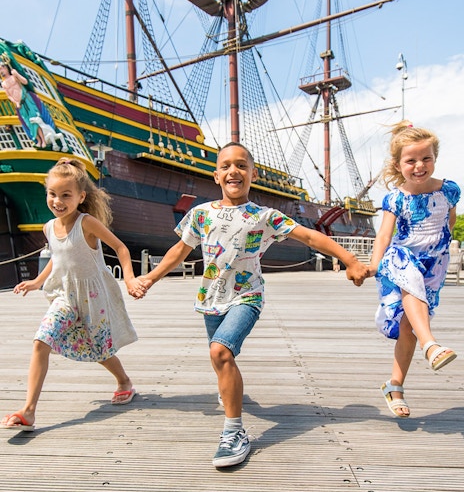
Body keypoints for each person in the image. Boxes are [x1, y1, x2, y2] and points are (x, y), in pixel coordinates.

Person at [137, 142, 368, 467]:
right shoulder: (201, 214)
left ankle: (234, 432)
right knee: (221, 361)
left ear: (253, 174)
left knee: (220, 352)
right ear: (216, 175)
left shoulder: (264, 217)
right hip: (211, 299)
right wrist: (150, 279)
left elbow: (311, 237)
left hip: (248, 297)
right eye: (227, 166)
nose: (234, 171)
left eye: (242, 165)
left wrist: (350, 260)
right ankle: (228, 390)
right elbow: (179, 251)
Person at [1, 158, 146, 431]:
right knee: (41, 340)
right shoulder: (48, 227)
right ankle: (28, 410)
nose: (58, 201)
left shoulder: (87, 223)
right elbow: (58, 258)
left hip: (93, 299)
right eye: (52, 194)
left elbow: (121, 249)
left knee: (100, 350)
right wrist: (36, 281)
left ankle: (124, 381)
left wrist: (129, 278)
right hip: (65, 297)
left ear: (81, 197)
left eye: (66, 195)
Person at [367, 121, 460, 418]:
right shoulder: (395, 198)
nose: (420, 166)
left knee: (409, 327)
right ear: (398, 164)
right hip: (402, 257)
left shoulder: (449, 190)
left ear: (435, 158)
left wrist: (439, 247)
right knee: (411, 286)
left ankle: (395, 386)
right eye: (411, 160)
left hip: (434, 262)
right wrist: (373, 264)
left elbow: (450, 220)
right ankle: (431, 346)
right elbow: (384, 235)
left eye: (426, 158)